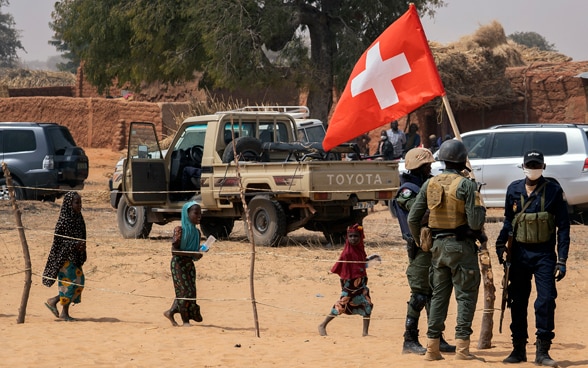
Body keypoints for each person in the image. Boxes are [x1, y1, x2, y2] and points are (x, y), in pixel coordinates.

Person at [407, 140, 486, 361]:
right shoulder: (466, 185)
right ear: (462, 161)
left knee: (439, 297)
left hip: (437, 248)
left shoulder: (430, 184)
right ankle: (462, 350)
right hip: (461, 247)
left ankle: (432, 349)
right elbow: (476, 222)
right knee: (466, 296)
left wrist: (422, 241)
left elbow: (414, 218)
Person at [495, 149, 570, 367]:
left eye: (537, 165)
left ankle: (543, 351)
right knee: (517, 301)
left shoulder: (554, 190)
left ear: (543, 167)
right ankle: (518, 348)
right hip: (519, 255)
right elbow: (509, 222)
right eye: (530, 165)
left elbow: (563, 227)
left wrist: (562, 259)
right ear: (523, 166)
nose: (533, 169)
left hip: (545, 254)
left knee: (546, 300)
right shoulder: (514, 189)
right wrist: (501, 246)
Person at [391, 148, 455, 355]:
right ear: (416, 168)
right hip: (419, 247)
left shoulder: (426, 185)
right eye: (426, 166)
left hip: (433, 244)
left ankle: (436, 337)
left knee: (434, 293)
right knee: (419, 294)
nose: (429, 168)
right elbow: (422, 214)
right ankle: (409, 339)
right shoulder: (407, 190)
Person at [318, 224, 373, 337]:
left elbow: (361, 263)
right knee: (342, 304)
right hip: (350, 283)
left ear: (361, 237)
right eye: (351, 236)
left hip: (361, 282)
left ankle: (365, 332)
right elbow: (340, 264)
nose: (353, 239)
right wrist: (333, 271)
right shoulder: (347, 252)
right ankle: (323, 325)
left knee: (367, 304)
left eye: (356, 236)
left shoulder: (360, 249)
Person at [42, 191, 87, 321]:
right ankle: (64, 313)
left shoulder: (79, 218)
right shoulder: (64, 221)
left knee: (78, 283)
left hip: (76, 257)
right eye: (76, 203)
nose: (79, 205)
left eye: (80, 202)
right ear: (69, 204)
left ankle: (54, 300)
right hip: (65, 258)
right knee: (69, 284)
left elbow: (82, 236)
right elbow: (59, 242)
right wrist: (74, 244)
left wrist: (82, 247)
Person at [163, 201, 205, 327]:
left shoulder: (197, 233)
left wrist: (199, 253)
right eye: (195, 213)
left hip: (189, 264)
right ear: (187, 214)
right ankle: (185, 321)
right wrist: (191, 254)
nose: (199, 216)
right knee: (183, 291)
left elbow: (194, 255)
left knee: (190, 292)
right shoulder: (179, 230)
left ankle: (170, 312)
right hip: (178, 264)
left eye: (200, 214)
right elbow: (174, 251)